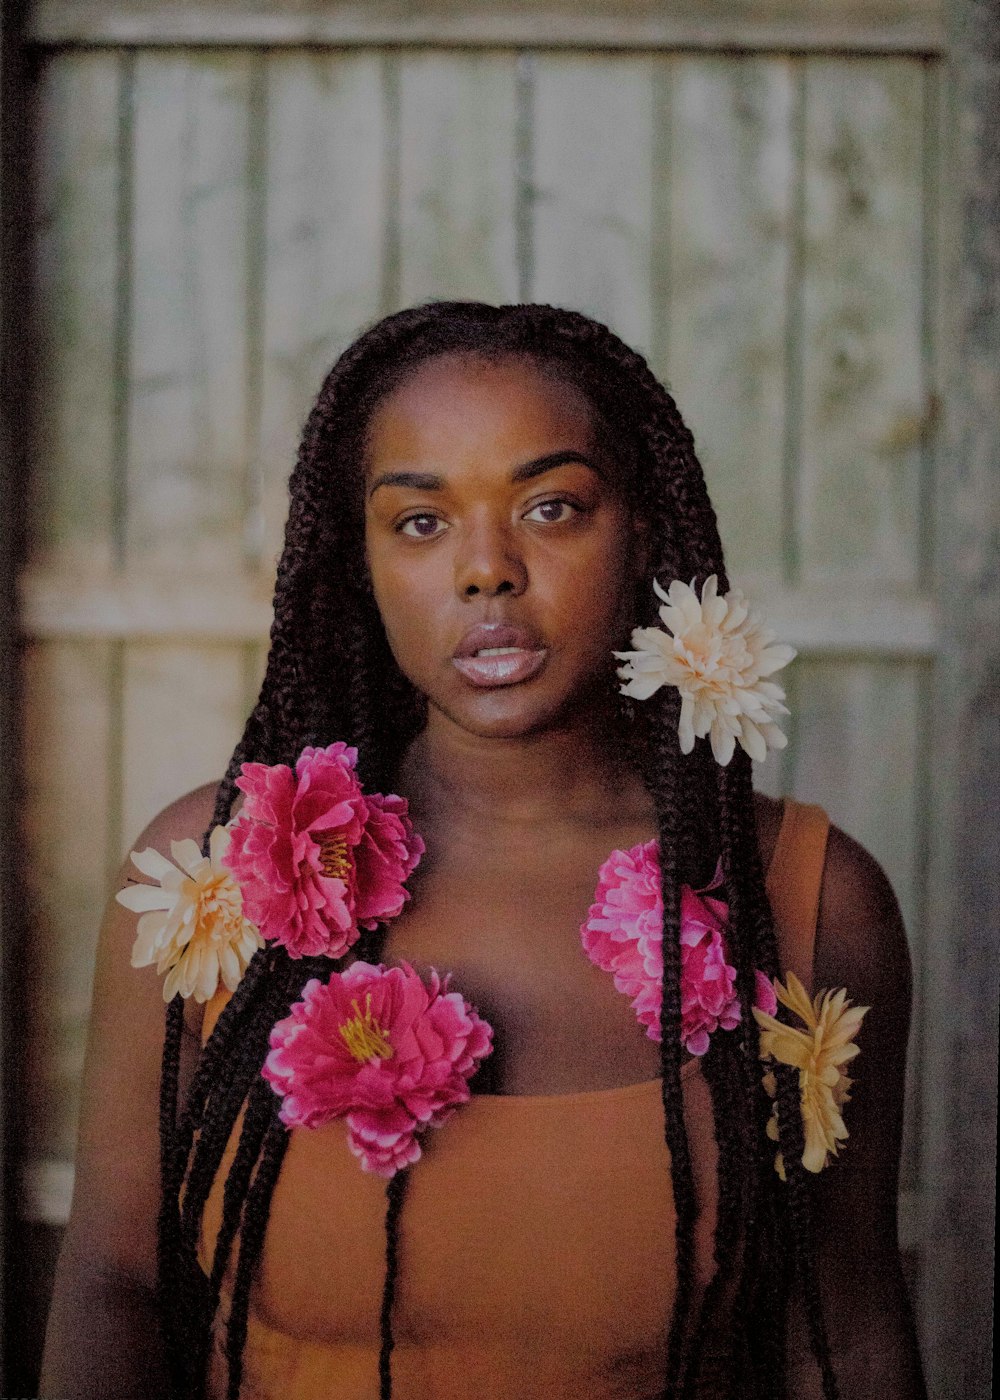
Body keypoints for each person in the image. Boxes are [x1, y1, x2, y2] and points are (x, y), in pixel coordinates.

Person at [40, 302, 925, 1400]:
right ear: (355, 559)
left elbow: (843, 1333)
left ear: (642, 528)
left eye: (551, 507)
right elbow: (113, 1280)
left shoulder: (806, 901)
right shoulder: (209, 884)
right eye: (419, 521)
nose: (485, 570)